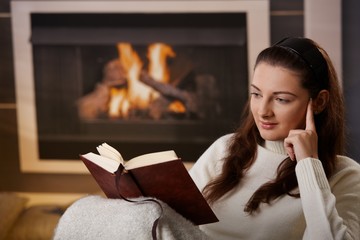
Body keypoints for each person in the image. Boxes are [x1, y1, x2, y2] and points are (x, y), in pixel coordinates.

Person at [189, 37, 360, 240]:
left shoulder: (345, 176)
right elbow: (176, 221)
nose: (262, 111)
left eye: (281, 99)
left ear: (319, 102)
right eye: (256, 94)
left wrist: (309, 165)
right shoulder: (225, 149)